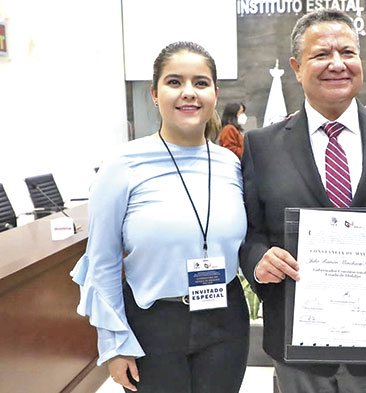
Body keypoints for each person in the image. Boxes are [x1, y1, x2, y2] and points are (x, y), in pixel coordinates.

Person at [239, 9, 366, 393]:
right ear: (296, 67)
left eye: (347, 52)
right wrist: (258, 260)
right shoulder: (262, 146)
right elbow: (250, 231)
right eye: (321, 54)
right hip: (297, 343)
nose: (337, 64)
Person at [70, 42, 249, 393]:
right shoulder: (123, 164)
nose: (188, 93)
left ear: (215, 93)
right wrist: (115, 343)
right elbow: (103, 261)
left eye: (200, 83)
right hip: (154, 324)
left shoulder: (230, 164)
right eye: (174, 82)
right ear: (154, 93)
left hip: (226, 320)